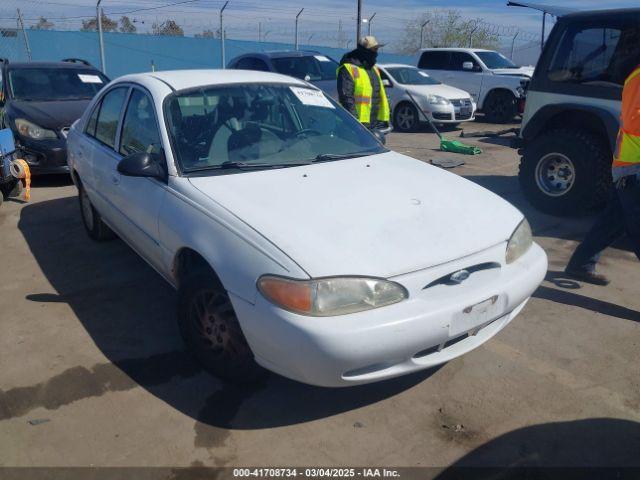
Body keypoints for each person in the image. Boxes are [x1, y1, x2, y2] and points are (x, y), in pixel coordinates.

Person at [565, 63, 640, 285]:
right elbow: (634, 122)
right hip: (633, 168)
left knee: (612, 222)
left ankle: (580, 265)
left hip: (630, 168)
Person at [337, 36, 390, 130]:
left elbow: (378, 94)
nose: (376, 53)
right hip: (357, 124)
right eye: (374, 49)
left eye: (376, 49)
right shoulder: (349, 68)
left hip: (374, 123)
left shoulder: (374, 69)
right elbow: (346, 97)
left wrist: (384, 120)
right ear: (365, 51)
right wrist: (354, 121)